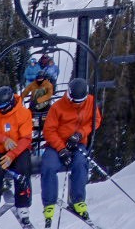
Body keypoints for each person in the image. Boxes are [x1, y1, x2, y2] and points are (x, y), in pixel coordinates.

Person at [41, 76, 102, 227]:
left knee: (81, 163)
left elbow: (95, 121)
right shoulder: (58, 107)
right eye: (74, 100)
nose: (76, 104)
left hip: (77, 143)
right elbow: (49, 130)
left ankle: (78, 200)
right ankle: (49, 204)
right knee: (48, 166)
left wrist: (80, 134)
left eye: (79, 101)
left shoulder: (91, 102)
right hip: (56, 145)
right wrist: (61, 149)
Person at [0, 85, 36, 229]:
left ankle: (23, 206)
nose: (1, 110)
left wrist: (12, 154)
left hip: (19, 149)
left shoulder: (23, 113)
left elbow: (26, 138)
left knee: (23, 168)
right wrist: (2, 139)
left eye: (4, 107)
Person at [21, 51, 59, 115]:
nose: (40, 80)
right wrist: (21, 98)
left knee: (51, 112)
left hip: (45, 103)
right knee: (28, 113)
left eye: (41, 79)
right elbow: (26, 91)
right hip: (34, 103)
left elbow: (49, 94)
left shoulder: (48, 85)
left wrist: (39, 100)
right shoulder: (33, 84)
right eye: (38, 79)